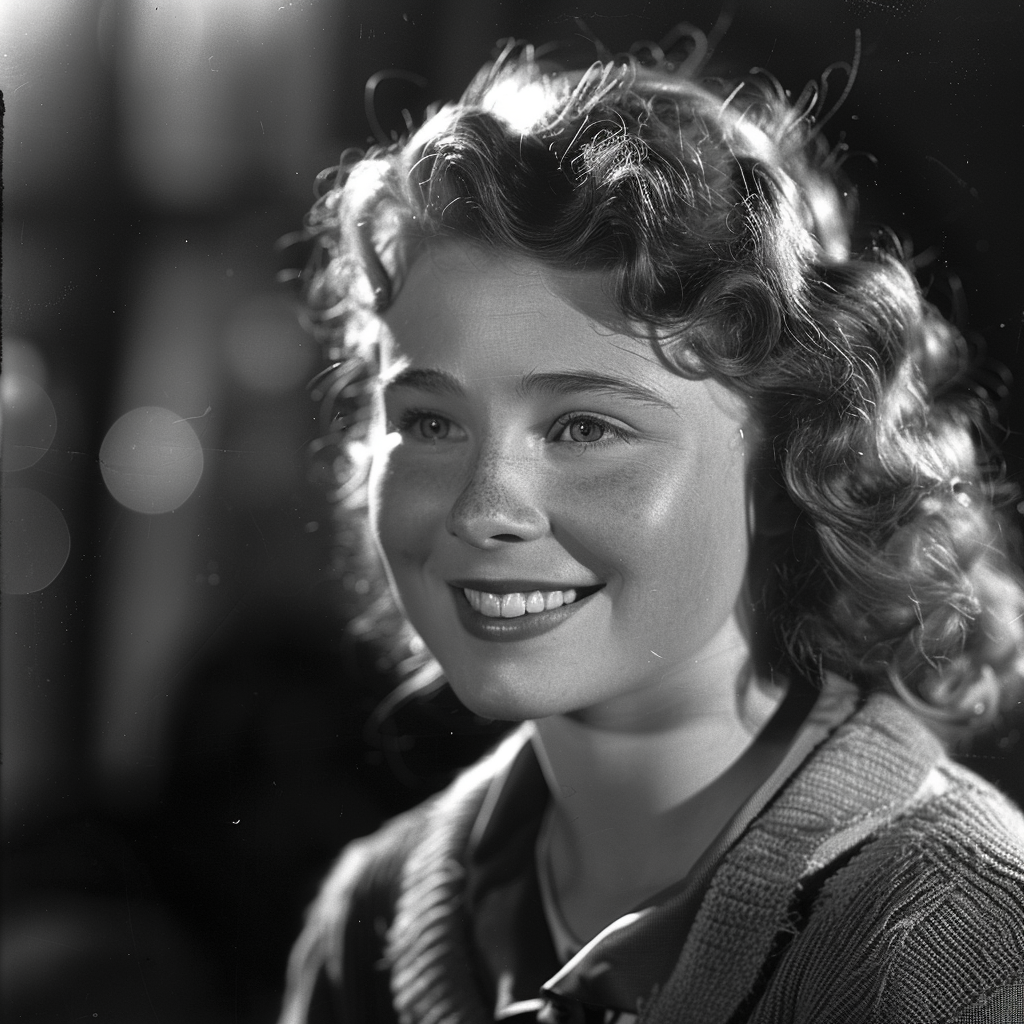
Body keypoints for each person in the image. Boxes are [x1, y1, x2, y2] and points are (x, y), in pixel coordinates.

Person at [278, 33, 1024, 1024]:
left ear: (789, 458)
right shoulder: (370, 918)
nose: (483, 508)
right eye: (429, 421)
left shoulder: (957, 947)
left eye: (585, 426)